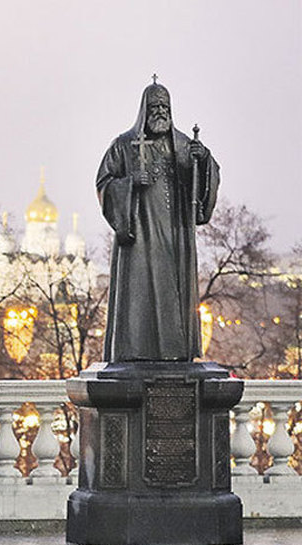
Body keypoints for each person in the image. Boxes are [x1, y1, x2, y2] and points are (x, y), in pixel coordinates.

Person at [96, 80, 219, 361]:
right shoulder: (125, 146)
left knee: (173, 293)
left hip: (175, 236)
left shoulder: (184, 146)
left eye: (165, 106)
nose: (160, 112)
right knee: (138, 295)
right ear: (144, 110)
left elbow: (201, 187)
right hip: (139, 234)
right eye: (155, 107)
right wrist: (128, 183)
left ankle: (176, 353)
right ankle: (135, 352)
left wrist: (205, 160)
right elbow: (104, 183)